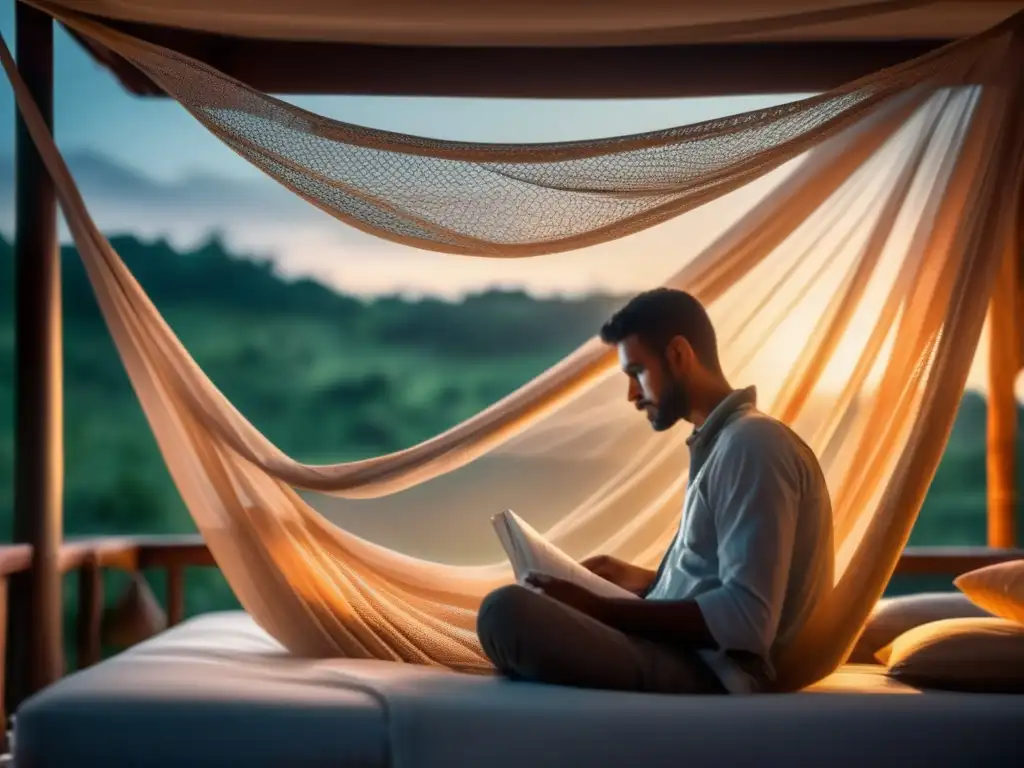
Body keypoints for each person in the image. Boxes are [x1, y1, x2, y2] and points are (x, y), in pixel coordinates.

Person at [476, 288, 834, 694]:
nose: (632, 394)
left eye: (637, 372)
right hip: (689, 653)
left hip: (713, 670)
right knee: (514, 610)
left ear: (679, 355)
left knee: (504, 612)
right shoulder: (724, 442)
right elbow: (726, 581)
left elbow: (746, 619)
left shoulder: (752, 443)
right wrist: (645, 583)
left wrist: (601, 608)